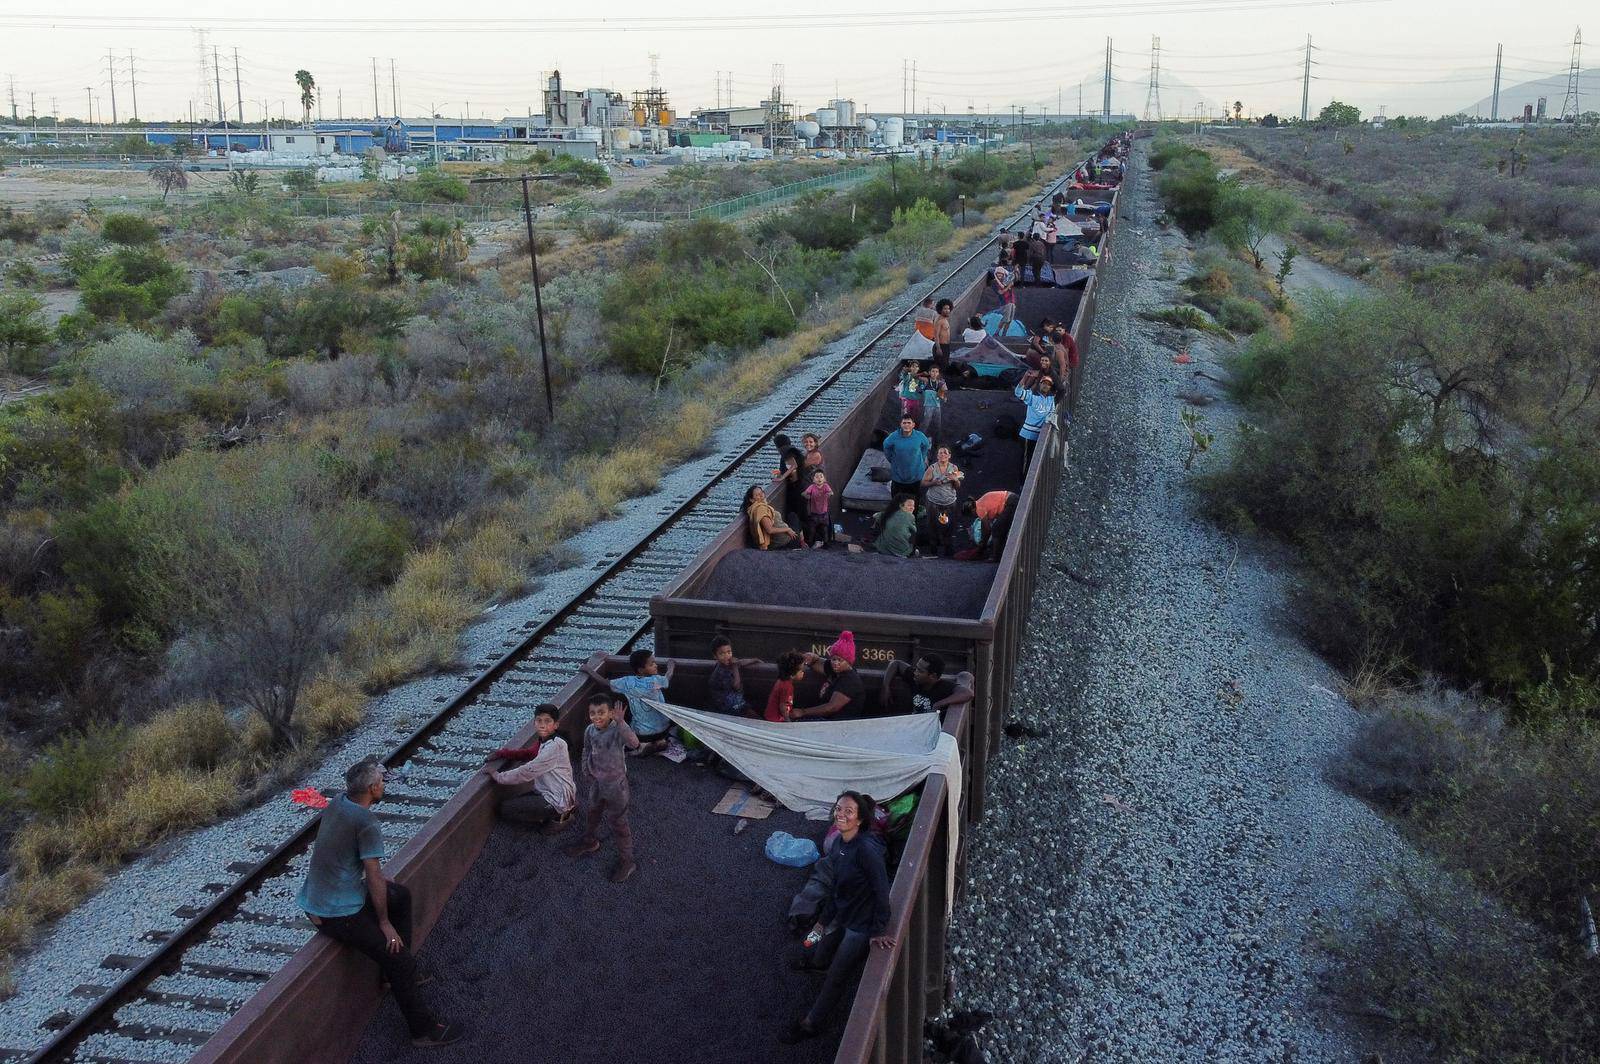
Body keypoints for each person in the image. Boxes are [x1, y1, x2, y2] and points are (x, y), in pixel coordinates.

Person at [298, 756, 461, 1048]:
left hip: (319, 899)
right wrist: (385, 924)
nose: (384, 784)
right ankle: (423, 1031)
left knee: (400, 895)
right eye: (382, 781)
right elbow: (373, 876)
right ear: (373, 789)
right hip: (337, 913)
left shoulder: (338, 803)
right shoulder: (366, 821)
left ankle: (393, 975)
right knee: (398, 958)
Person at [781, 791, 895, 1043]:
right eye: (839, 809)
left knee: (837, 976)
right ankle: (816, 962)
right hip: (843, 911)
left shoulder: (866, 850)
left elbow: (881, 890)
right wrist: (822, 919)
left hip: (860, 925)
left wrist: (877, 931)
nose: (840, 815)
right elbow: (836, 886)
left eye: (848, 811)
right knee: (823, 939)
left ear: (861, 820)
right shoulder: (841, 846)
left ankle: (812, 1022)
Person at [566, 692, 640, 883]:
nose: (597, 717)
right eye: (593, 713)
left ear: (610, 713)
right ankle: (590, 841)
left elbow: (634, 743)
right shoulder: (590, 730)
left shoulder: (617, 730)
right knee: (593, 813)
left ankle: (627, 861)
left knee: (619, 823)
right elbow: (587, 750)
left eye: (601, 712)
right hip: (598, 784)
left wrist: (622, 722)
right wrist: (586, 770)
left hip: (617, 786)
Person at [481, 704, 576, 833]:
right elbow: (528, 753)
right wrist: (501, 753)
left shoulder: (554, 747)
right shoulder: (545, 740)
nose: (542, 725)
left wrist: (498, 776)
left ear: (556, 725)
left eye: (547, 721)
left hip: (556, 796)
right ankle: (563, 807)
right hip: (549, 790)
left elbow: (527, 771)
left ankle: (561, 817)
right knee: (511, 806)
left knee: (506, 809)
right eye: (539, 721)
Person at [585, 649, 673, 756]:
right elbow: (668, 677)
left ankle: (643, 745)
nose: (655, 665)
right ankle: (660, 742)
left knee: (626, 727)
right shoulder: (656, 680)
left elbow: (605, 682)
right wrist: (671, 666)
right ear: (641, 670)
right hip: (663, 729)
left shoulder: (627, 682)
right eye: (651, 664)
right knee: (661, 734)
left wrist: (588, 670)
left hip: (643, 733)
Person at [793, 632, 865, 720]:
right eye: (833, 659)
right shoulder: (835, 669)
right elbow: (817, 662)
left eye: (840, 660)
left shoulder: (850, 681)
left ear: (848, 662)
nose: (835, 663)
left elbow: (831, 708)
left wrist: (802, 712)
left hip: (838, 724)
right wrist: (812, 657)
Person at [879, 654, 975, 716]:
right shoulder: (915, 678)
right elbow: (896, 663)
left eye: (920, 671)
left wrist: (939, 704)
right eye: (916, 668)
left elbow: (968, 693)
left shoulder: (943, 687)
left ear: (932, 676)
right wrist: (886, 686)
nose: (915, 673)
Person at [920, 446, 963, 558]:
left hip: (949, 502)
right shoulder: (932, 468)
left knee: (948, 525)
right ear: (937, 456)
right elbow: (923, 483)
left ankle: (947, 549)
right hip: (933, 502)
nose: (942, 455)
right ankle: (933, 549)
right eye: (940, 453)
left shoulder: (953, 468)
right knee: (932, 525)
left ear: (949, 456)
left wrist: (955, 479)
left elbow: (957, 486)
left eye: (945, 453)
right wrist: (933, 482)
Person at [1014, 369, 1058, 476]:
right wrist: (1025, 377)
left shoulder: (1051, 400)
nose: (1045, 386)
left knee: (1034, 460)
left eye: (1048, 384)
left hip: (1039, 435)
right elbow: (1018, 392)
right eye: (1044, 383)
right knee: (1026, 460)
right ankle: (1022, 483)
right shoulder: (1032, 396)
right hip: (1027, 436)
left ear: (1050, 387)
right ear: (1040, 384)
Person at [881, 415, 931, 501]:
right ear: (901, 424)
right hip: (898, 476)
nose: (906, 425)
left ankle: (913, 514)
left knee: (914, 500)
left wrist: (922, 458)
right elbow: (886, 446)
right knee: (896, 500)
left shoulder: (919, 436)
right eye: (904, 423)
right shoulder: (894, 436)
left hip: (916, 476)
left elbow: (926, 446)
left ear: (913, 425)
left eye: (909, 423)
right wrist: (892, 459)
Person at [708, 636, 759, 716]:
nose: (727, 656)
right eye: (722, 654)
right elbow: (737, 686)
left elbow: (740, 662)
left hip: (737, 701)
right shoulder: (720, 672)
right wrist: (735, 667)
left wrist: (755, 660)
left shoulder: (729, 663)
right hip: (728, 707)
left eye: (729, 652)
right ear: (715, 656)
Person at [962, 489, 1018, 561]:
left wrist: (982, 544)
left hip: (1010, 502)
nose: (974, 516)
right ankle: (1000, 554)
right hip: (1011, 498)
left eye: (971, 515)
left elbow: (987, 529)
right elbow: (984, 528)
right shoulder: (980, 502)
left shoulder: (979, 508)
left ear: (972, 510)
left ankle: (995, 557)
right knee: (1001, 529)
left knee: (996, 529)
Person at [745, 485, 802, 550]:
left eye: (762, 492)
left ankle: (801, 542)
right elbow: (769, 530)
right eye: (757, 495)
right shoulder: (760, 509)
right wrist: (787, 529)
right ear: (752, 500)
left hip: (782, 538)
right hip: (786, 541)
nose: (761, 495)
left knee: (792, 517)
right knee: (793, 516)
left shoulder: (758, 507)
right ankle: (801, 543)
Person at [764, 651, 807, 722]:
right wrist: (787, 720)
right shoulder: (787, 686)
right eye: (801, 671)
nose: (803, 673)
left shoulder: (781, 681)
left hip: (770, 715)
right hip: (776, 719)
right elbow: (783, 706)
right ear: (792, 675)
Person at [873, 494, 918, 558]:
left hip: (883, 549)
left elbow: (875, 516)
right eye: (909, 505)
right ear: (901, 506)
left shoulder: (888, 513)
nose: (912, 508)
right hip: (900, 551)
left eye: (913, 506)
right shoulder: (910, 516)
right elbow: (915, 530)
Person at [802, 468, 834, 549]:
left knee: (825, 530)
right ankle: (810, 543)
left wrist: (828, 494)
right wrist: (808, 496)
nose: (819, 478)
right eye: (817, 477)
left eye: (821, 476)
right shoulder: (812, 487)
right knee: (812, 530)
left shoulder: (826, 486)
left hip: (824, 514)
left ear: (824, 479)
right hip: (814, 514)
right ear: (813, 480)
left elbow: (831, 492)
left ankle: (826, 543)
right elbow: (804, 493)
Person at [919, 364, 948, 446]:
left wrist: (943, 395)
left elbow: (945, 393)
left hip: (937, 406)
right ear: (929, 372)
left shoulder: (941, 383)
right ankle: (919, 439)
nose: (934, 373)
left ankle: (937, 442)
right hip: (928, 406)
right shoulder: (926, 381)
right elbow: (916, 377)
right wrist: (921, 374)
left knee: (938, 424)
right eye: (933, 371)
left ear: (938, 373)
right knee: (925, 423)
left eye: (936, 372)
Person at [992, 257, 1016, 334]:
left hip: (1012, 301)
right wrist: (1009, 286)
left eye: (1001, 273)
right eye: (998, 273)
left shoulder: (1005, 280)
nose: (1000, 275)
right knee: (1005, 319)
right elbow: (1001, 292)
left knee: (1010, 320)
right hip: (1005, 302)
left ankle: (1004, 334)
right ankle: (997, 332)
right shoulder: (994, 283)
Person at [931, 298, 953, 373]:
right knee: (941, 369)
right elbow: (936, 335)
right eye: (945, 309)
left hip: (946, 346)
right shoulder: (939, 320)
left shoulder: (945, 319)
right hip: (941, 346)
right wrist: (938, 348)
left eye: (948, 308)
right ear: (940, 309)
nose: (947, 310)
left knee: (945, 367)